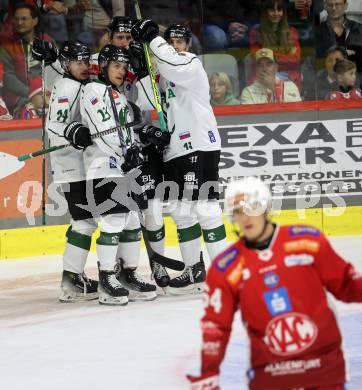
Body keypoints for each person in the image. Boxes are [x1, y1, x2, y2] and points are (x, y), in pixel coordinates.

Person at [188, 176, 362, 390]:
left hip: (323, 370)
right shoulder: (226, 268)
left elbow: (346, 284)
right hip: (272, 376)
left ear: (266, 207)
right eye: (238, 211)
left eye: (251, 207)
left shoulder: (307, 242)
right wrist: (209, 372)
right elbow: (215, 327)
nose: (245, 217)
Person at [131, 21, 228, 294]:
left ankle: (224, 275)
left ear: (187, 45)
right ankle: (194, 272)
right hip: (175, 149)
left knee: (206, 209)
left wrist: (153, 39)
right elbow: (149, 104)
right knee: (181, 212)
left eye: (179, 41)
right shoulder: (162, 74)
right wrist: (142, 70)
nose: (175, 46)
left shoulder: (190, 63)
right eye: (170, 41)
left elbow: (171, 61)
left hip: (198, 143)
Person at [80, 44, 165, 303]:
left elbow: (124, 133)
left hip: (122, 165)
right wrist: (124, 153)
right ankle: (107, 278)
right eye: (116, 65)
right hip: (103, 165)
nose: (122, 70)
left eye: (124, 66)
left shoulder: (118, 96)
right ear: (103, 65)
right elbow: (102, 130)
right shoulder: (93, 90)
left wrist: (136, 146)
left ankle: (128, 273)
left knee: (130, 222)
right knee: (113, 221)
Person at [45, 40, 99, 303]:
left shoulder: (74, 83)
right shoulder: (68, 86)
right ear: (66, 64)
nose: (84, 66)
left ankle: (73, 276)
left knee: (84, 220)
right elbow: (53, 125)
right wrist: (71, 130)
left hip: (75, 163)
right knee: (84, 221)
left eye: (85, 60)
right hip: (70, 164)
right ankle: (71, 279)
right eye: (78, 61)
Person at [0, 3, 53, 112]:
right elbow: (7, 77)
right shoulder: (6, 46)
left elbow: (57, 69)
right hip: (20, 97)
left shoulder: (47, 41)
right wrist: (33, 93)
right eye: (16, 19)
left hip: (47, 93)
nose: (19, 22)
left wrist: (48, 93)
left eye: (24, 19)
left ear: (35, 21)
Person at [248, 0, 302, 89]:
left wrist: (271, 55)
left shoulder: (291, 32)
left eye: (279, 10)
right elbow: (260, 61)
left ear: (283, 12)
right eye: (272, 10)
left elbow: (295, 60)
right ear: (266, 13)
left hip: (288, 76)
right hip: (264, 75)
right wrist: (284, 55)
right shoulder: (256, 33)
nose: (276, 13)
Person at [315, 0, 362, 88]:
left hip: (356, 82)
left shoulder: (359, 29)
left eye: (338, 4)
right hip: (326, 84)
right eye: (330, 5)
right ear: (325, 6)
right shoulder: (317, 32)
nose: (334, 8)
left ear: (346, 5)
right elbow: (314, 60)